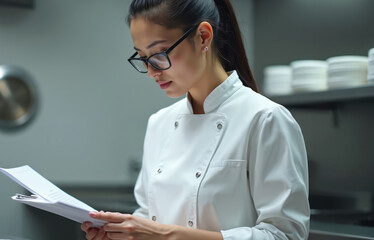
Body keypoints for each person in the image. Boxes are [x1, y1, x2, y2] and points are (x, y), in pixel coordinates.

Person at [81, 0, 310, 239]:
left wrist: (168, 235)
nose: (151, 71)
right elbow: (149, 216)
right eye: (142, 57)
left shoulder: (265, 119)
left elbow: (286, 235)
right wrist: (124, 233)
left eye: (159, 53)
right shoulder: (160, 123)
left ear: (203, 37)